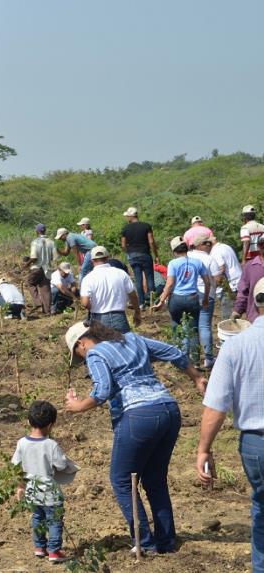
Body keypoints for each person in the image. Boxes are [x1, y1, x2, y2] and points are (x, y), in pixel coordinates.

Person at [63, 321, 207, 555]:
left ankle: (145, 543)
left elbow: (102, 390)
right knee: (154, 479)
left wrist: (78, 406)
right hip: (169, 409)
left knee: (121, 480)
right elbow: (174, 352)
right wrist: (196, 377)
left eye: (79, 354)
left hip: (138, 414)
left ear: (82, 343)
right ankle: (166, 541)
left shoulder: (95, 352)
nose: (83, 358)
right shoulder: (132, 339)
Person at [196, 277, 264, 572]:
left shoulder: (236, 347)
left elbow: (216, 405)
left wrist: (203, 449)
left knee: (262, 508)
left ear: (255, 304)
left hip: (256, 443)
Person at [12, 401, 78, 563]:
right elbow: (61, 464)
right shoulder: (51, 445)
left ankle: (40, 547)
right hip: (50, 492)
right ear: (50, 425)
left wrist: (20, 487)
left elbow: (16, 467)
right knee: (54, 519)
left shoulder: (22, 443)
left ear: (29, 422)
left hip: (32, 491)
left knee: (37, 517)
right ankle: (54, 551)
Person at [154, 237, 210, 364]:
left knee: (176, 327)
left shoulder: (173, 264)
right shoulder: (197, 262)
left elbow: (169, 285)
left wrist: (161, 300)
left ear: (174, 251)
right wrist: (205, 298)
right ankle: (195, 361)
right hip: (192, 298)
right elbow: (207, 282)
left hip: (177, 299)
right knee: (194, 330)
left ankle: (178, 359)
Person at [80, 246, 140, 333]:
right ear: (107, 258)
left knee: (103, 346)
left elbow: (85, 303)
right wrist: (137, 312)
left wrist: (92, 308)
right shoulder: (121, 273)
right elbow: (133, 295)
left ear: (92, 260)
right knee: (123, 345)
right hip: (119, 317)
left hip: (99, 318)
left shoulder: (88, 278)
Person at [188, 235, 222, 369]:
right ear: (199, 245)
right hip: (206, 295)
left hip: (189, 294)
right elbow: (218, 279)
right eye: (206, 243)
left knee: (192, 328)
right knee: (205, 327)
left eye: (209, 243)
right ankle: (208, 358)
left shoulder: (188, 256)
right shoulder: (209, 259)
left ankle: (195, 360)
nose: (209, 245)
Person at [120, 206, 159, 308]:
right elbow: (151, 241)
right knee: (150, 278)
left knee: (138, 279)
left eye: (127, 216)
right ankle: (152, 301)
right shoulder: (146, 226)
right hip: (145, 254)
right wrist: (156, 255)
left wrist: (129, 252)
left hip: (133, 256)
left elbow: (123, 245)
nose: (127, 218)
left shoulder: (125, 228)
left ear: (130, 216)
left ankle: (141, 303)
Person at [26, 224, 56, 316]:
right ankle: (47, 311)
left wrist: (26, 264)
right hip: (47, 268)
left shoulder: (35, 242)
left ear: (37, 231)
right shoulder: (51, 242)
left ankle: (37, 302)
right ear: (45, 231)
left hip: (37, 268)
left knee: (29, 283)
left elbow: (34, 257)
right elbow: (54, 257)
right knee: (46, 290)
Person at [233, 235, 264, 324]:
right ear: (258, 246)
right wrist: (237, 310)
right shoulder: (250, 267)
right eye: (262, 244)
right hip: (255, 318)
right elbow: (243, 292)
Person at [211, 235, 242, 319]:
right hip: (238, 279)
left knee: (228, 315)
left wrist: (214, 283)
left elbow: (222, 268)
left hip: (231, 285)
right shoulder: (225, 246)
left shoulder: (215, 252)